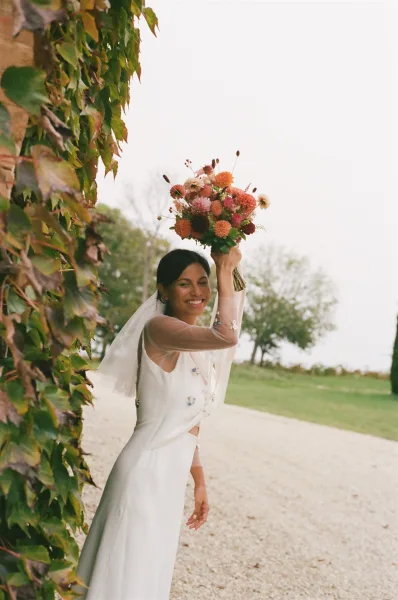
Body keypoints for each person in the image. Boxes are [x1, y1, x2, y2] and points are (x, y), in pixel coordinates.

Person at [75, 246, 244, 600]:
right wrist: (224, 270)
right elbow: (227, 335)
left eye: (203, 282)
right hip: (144, 474)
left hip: (168, 479)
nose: (197, 291)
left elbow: (187, 422)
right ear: (164, 290)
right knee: (126, 575)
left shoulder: (196, 348)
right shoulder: (160, 329)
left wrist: (199, 480)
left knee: (147, 576)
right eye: (185, 284)